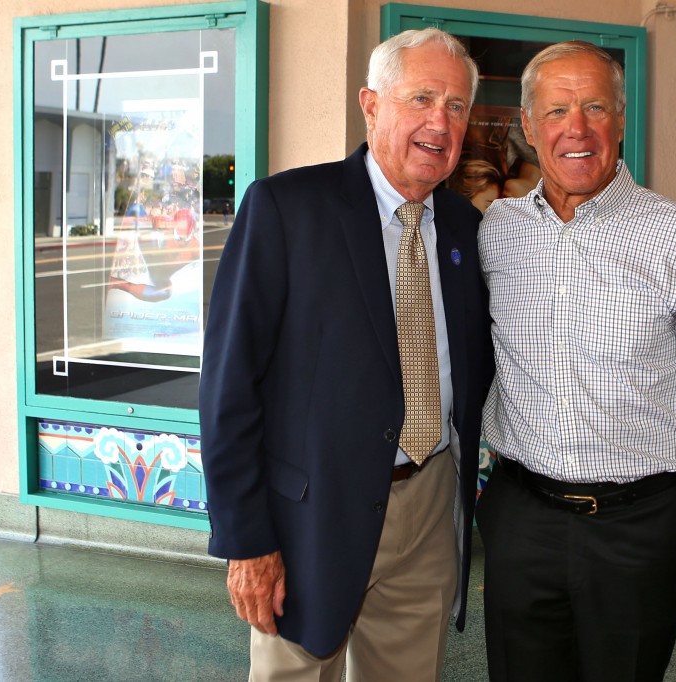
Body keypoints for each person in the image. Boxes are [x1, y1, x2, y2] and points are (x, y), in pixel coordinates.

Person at [199, 28, 491, 681]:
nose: (439, 121)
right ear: (371, 104)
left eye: (457, 105)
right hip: (310, 516)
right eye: (421, 98)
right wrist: (246, 540)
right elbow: (228, 386)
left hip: (428, 504)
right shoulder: (286, 209)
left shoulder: (468, 230)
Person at [476, 41, 676, 681]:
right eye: (556, 111)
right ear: (528, 126)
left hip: (639, 527)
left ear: (620, 120)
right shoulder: (496, 231)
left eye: (595, 107)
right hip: (521, 515)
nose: (576, 128)